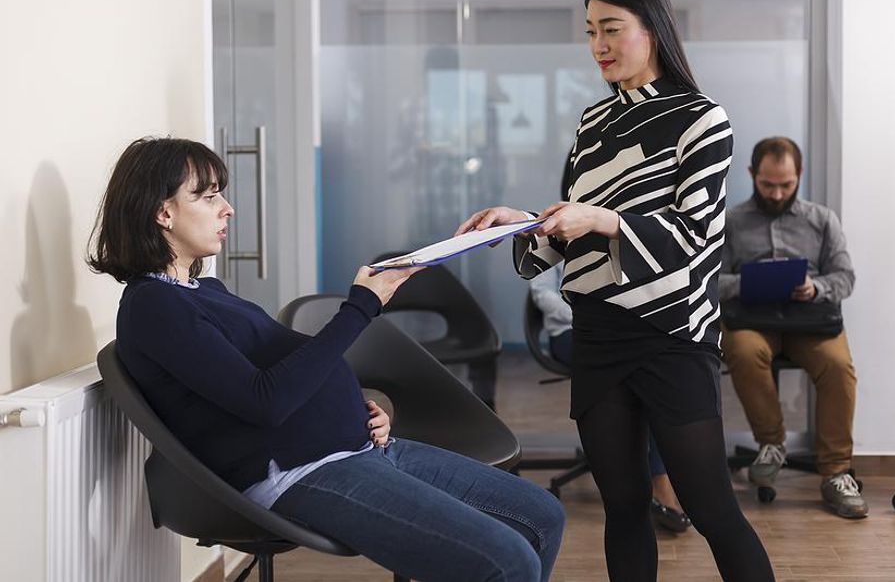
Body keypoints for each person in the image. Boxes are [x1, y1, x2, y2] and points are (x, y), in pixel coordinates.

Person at [87, 137, 565, 582]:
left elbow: (274, 375)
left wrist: (355, 407)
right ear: (163, 213)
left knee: (541, 515)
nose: (227, 208)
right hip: (301, 472)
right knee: (509, 559)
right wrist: (360, 307)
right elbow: (264, 402)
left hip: (358, 448)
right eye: (209, 197)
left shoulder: (203, 291)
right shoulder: (154, 307)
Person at [458, 0, 773, 582]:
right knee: (623, 507)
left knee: (711, 508)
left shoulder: (704, 120)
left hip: (672, 334)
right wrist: (519, 223)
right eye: (589, 31)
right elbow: (569, 231)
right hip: (599, 334)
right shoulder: (592, 125)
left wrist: (601, 218)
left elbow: (691, 235)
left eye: (611, 29)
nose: (598, 44)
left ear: (652, 29)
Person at [719, 136, 867, 519]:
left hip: (809, 320)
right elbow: (711, 282)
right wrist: (750, 282)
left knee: (839, 367)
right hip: (753, 319)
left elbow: (846, 278)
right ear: (753, 175)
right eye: (768, 184)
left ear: (798, 175)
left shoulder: (822, 220)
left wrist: (813, 286)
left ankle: (836, 472)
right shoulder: (732, 222)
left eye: (786, 184)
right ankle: (772, 444)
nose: (777, 192)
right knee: (742, 350)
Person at [531, 260, 691, 534]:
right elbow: (542, 293)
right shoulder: (557, 228)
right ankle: (656, 484)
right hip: (572, 332)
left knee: (649, 376)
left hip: (624, 333)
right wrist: (588, 315)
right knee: (638, 373)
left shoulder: (620, 230)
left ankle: (653, 479)